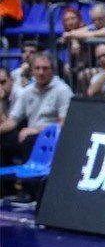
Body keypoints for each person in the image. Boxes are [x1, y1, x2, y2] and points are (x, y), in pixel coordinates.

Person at [0, 52, 72, 199]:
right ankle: (6, 190)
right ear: (32, 70)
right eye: (37, 68)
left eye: (45, 68)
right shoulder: (27, 92)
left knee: (30, 140)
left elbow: (64, 123)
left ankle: (30, 192)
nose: (41, 72)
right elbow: (13, 120)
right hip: (30, 134)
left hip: (53, 138)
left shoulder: (62, 90)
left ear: (52, 70)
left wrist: (35, 129)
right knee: (4, 139)